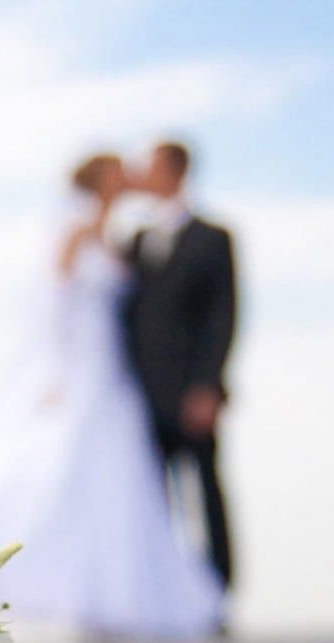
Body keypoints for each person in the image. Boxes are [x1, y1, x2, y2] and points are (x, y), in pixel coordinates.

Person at [0, 152, 224, 641]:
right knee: (57, 473)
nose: (129, 178)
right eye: (118, 173)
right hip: (77, 368)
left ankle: (110, 600)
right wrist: (53, 371)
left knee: (117, 484)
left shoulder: (120, 238)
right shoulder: (72, 231)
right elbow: (51, 303)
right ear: (97, 183)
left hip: (114, 372)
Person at [122, 140, 237, 592]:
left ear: (174, 171)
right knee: (149, 501)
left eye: (147, 166)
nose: (140, 175)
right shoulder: (133, 243)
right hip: (138, 395)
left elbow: (223, 316)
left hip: (192, 393)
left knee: (206, 492)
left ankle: (217, 593)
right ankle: (161, 596)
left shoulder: (214, 238)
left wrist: (208, 385)